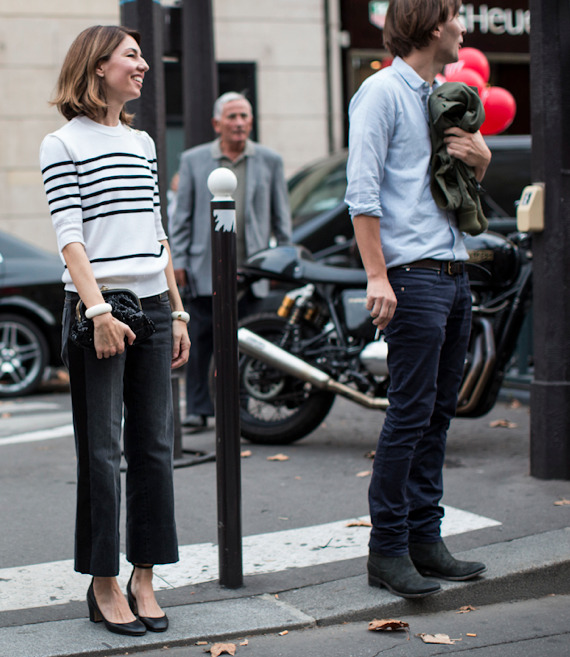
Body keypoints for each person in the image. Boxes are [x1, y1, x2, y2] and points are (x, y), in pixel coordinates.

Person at [39, 25, 190, 636]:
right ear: (97, 66)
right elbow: (69, 237)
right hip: (99, 308)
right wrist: (98, 311)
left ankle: (144, 574)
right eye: (132, 55)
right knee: (101, 452)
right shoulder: (61, 143)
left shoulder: (144, 142)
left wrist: (177, 310)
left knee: (154, 446)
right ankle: (103, 582)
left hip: (153, 304)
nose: (144, 65)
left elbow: (155, 233)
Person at [345, 0, 492, 599]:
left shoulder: (442, 95)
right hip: (411, 277)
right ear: (434, 26)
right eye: (457, 17)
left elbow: (446, 186)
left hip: (454, 270)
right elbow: (362, 192)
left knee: (437, 412)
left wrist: (479, 162)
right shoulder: (381, 93)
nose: (464, 29)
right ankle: (388, 550)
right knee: (408, 413)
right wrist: (377, 277)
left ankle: (426, 540)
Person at [170, 92, 292, 429]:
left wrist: (284, 255)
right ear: (217, 123)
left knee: (248, 342)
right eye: (232, 116)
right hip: (203, 267)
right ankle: (197, 408)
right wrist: (177, 260)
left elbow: (282, 217)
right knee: (201, 338)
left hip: (251, 270)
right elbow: (180, 218)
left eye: (244, 116)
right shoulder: (194, 160)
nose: (239, 123)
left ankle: (241, 408)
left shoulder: (269, 160)